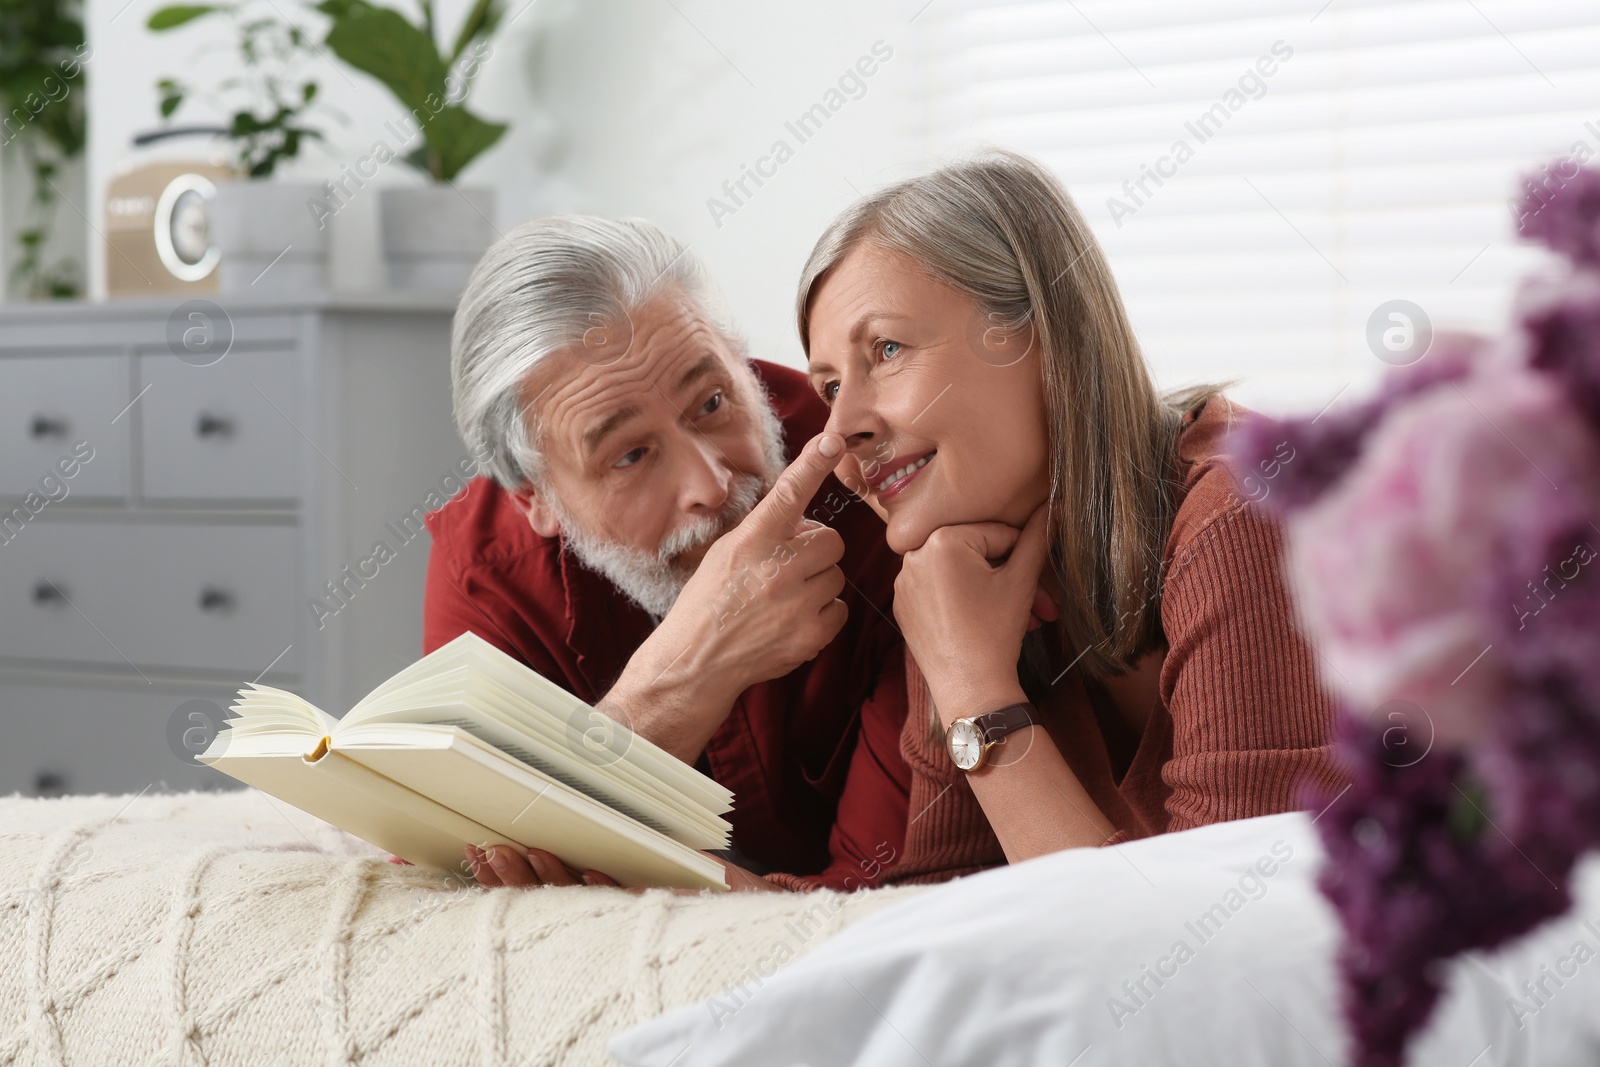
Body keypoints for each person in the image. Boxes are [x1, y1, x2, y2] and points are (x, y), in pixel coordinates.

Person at [793, 151, 1348, 884]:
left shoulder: (1247, 515)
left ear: (1047, 338)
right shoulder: (959, 574)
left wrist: (978, 695)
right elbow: (937, 904)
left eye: (887, 349)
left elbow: (1218, 951)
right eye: (830, 386)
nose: (842, 429)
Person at [423, 216, 911, 891]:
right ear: (534, 499)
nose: (710, 485)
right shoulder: (489, 562)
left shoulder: (876, 480)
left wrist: (599, 836)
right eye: (630, 454)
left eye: (712, 402)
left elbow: (883, 897)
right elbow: (466, 855)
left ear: (738, 357)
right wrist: (685, 677)